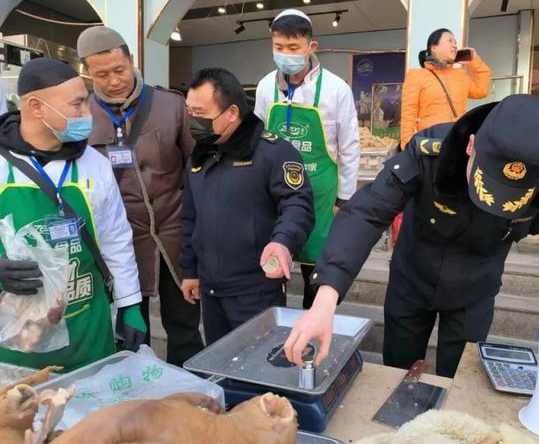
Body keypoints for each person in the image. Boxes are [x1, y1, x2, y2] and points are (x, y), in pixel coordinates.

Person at [284, 95, 539, 378]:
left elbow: (537, 222)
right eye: (488, 180)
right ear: (471, 146)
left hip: (475, 288)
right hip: (413, 278)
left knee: (462, 379)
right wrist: (325, 299)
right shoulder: (429, 153)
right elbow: (367, 212)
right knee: (397, 373)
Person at [0, 58, 145, 371]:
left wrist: (130, 303)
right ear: (36, 107)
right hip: (13, 345)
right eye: (78, 104)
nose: (87, 113)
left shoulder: (94, 164)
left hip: (88, 331)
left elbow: (115, 240)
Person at [77, 26, 203, 366]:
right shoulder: (81, 116)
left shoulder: (171, 105)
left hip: (175, 234)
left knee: (185, 325)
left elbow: (198, 167)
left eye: (119, 69)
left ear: (131, 60)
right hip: (121, 242)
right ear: (87, 73)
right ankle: (139, 397)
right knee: (131, 331)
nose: (113, 80)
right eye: (100, 74)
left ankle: (190, 390)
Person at [181, 68, 314, 344]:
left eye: (200, 114)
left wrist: (283, 242)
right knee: (219, 366)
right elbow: (191, 218)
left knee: (259, 369)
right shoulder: (199, 157)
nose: (193, 121)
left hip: (256, 292)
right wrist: (190, 271)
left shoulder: (274, 152)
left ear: (231, 113)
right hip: (211, 292)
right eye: (189, 112)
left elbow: (297, 204)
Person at [254, 9, 360, 309]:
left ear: (310, 47)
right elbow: (258, 136)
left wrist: (344, 199)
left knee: (317, 270)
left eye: (293, 48)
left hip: (321, 196)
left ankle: (313, 329)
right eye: (279, 47)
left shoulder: (336, 89)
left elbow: (349, 145)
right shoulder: (265, 87)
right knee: (275, 264)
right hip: (275, 193)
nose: (285, 54)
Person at [400, 28, 491, 149]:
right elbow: (408, 112)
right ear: (434, 48)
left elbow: (481, 90)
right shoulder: (417, 75)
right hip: (430, 141)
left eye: (455, 43)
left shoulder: (460, 75)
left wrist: (475, 61)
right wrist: (406, 144)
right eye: (450, 41)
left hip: (457, 138)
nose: (454, 45)